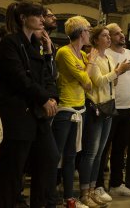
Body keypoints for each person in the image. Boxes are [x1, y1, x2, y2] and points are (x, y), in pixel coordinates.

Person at [0, 1, 59, 208]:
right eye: (38, 15)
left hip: (37, 114)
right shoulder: (11, 42)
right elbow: (19, 78)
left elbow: (48, 77)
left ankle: (39, 204)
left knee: (49, 158)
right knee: (12, 170)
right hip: (18, 113)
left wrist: (52, 97)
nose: (42, 20)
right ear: (23, 18)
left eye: (42, 15)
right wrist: (44, 98)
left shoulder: (35, 46)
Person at [78, 25, 130, 207]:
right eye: (105, 35)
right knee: (92, 152)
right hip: (97, 107)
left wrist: (118, 72)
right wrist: (118, 71)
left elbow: (112, 82)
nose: (108, 38)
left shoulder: (108, 57)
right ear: (95, 40)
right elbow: (99, 81)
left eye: (108, 36)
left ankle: (94, 189)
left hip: (109, 107)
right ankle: (85, 191)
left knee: (101, 151)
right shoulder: (92, 57)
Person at [49, 16, 93, 207]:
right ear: (81, 32)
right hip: (65, 109)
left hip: (79, 109)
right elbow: (86, 80)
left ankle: (69, 198)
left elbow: (88, 84)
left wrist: (87, 66)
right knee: (56, 155)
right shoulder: (64, 53)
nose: (90, 33)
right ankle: (49, 195)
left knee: (71, 156)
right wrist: (91, 63)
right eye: (88, 30)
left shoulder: (82, 55)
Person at [94, 23, 130, 198]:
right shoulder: (105, 54)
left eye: (122, 33)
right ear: (109, 37)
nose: (122, 36)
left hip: (127, 106)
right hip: (109, 106)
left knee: (121, 146)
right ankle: (97, 184)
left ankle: (116, 183)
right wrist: (119, 71)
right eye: (117, 33)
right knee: (103, 148)